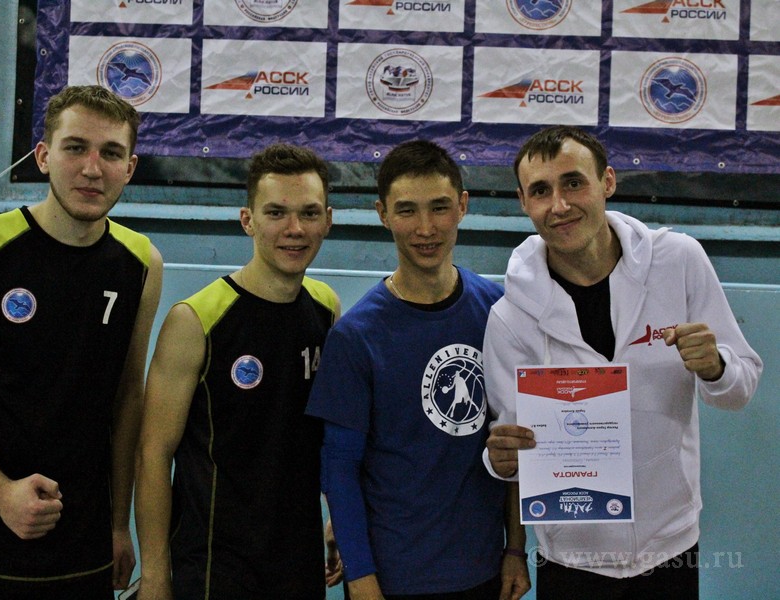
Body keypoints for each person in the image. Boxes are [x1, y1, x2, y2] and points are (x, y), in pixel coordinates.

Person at [483, 125, 763, 599]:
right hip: (570, 558)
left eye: (574, 183)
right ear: (523, 202)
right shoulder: (510, 318)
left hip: (670, 546)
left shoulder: (678, 261)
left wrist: (715, 366)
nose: (559, 205)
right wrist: (499, 460)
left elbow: (741, 387)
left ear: (607, 182)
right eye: (541, 191)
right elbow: (513, 448)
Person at [0, 85, 164, 599]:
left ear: (129, 168)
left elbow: (127, 399)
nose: (92, 168)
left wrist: (119, 524)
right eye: (76, 148)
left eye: (111, 153)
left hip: (86, 546)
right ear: (44, 157)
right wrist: (1, 493)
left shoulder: (141, 263)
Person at [306, 140, 531, 600]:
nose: (425, 228)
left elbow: (513, 438)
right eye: (407, 210)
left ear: (462, 206)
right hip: (392, 580)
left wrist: (516, 548)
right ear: (383, 214)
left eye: (439, 207)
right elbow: (339, 469)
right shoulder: (356, 337)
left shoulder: (499, 311)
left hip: (484, 570)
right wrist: (360, 577)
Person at [134, 143, 342, 600]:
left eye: (309, 213)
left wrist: (340, 519)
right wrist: (155, 575)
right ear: (248, 220)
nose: (294, 229)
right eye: (276, 213)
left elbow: (327, 437)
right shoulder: (196, 321)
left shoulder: (327, 309)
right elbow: (153, 455)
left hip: (297, 561)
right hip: (214, 567)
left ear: (328, 220)